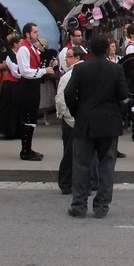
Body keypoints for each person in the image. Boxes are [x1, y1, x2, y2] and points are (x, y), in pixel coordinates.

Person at [64, 36, 129, 219]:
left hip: (85, 121)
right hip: (108, 122)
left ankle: (79, 205)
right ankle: (101, 206)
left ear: (89, 49)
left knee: (81, 165)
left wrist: (77, 110)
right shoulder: (116, 69)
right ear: (108, 49)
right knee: (107, 166)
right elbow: (123, 94)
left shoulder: (80, 68)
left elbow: (69, 93)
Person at [16, 23, 55, 160]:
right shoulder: (23, 50)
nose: (37, 34)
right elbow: (25, 71)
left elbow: (38, 64)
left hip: (33, 86)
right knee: (28, 118)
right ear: (27, 34)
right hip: (27, 86)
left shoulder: (32, 48)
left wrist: (49, 64)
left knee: (31, 117)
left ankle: (28, 148)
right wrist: (44, 71)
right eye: (35, 32)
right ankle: (25, 151)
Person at [53, 46, 83, 195]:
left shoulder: (70, 75)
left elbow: (60, 99)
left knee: (70, 153)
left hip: (71, 119)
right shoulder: (71, 74)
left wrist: (65, 115)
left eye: (69, 56)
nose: (66, 59)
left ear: (77, 58)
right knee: (73, 153)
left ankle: (66, 182)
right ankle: (68, 182)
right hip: (73, 118)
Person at [0, 34, 23, 139]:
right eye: (20, 43)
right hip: (11, 84)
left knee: (18, 107)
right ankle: (10, 130)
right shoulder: (10, 57)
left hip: (18, 84)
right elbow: (15, 72)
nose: (22, 45)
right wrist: (24, 74)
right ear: (15, 44)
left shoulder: (20, 55)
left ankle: (18, 129)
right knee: (11, 107)